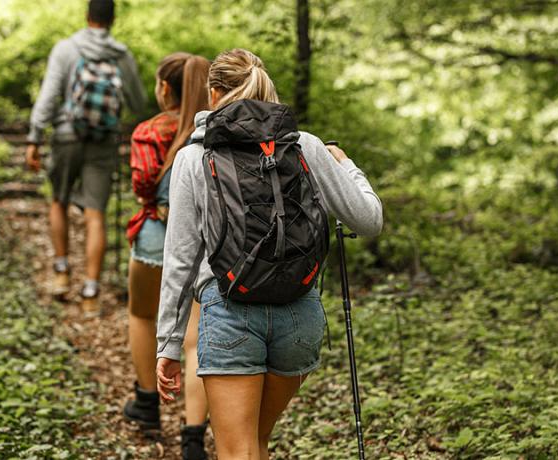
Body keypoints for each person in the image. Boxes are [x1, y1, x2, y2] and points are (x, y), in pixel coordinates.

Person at [155, 49, 383, 460]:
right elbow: (369, 219)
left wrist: (169, 345)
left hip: (229, 311)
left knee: (237, 449)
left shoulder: (193, 157)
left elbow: (180, 261)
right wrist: (347, 164)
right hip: (299, 313)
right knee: (257, 441)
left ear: (214, 93)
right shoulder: (306, 148)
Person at [25, 0, 145, 306]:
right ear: (112, 20)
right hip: (103, 139)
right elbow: (138, 102)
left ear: (87, 16)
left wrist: (35, 138)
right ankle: (91, 291)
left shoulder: (66, 49)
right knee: (96, 215)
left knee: (59, 200)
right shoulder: (121, 55)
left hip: (66, 135)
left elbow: (49, 95)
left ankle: (62, 272)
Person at [122, 52, 211, 459]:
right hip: (206, 246)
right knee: (193, 341)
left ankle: (147, 405)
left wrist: (152, 201)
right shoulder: (214, 131)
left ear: (164, 89)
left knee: (141, 314)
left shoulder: (150, 131)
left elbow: (142, 184)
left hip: (157, 240)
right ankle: (193, 436)